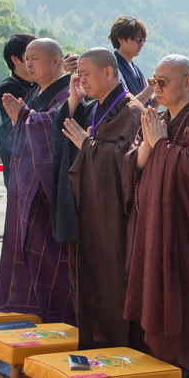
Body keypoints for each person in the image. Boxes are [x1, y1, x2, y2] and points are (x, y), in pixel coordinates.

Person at [124, 55, 189, 378]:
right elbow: (134, 164)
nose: (157, 88)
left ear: (188, 82)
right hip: (156, 229)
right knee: (156, 293)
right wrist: (152, 145)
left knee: (186, 301)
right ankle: (161, 370)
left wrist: (161, 143)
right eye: (154, 81)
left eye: (164, 81)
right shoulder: (157, 118)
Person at [55, 48, 144, 348]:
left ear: (108, 72)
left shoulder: (131, 110)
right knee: (91, 283)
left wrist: (88, 144)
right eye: (77, 73)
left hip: (113, 219)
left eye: (86, 73)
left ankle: (120, 352)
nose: (80, 79)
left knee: (112, 284)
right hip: (90, 212)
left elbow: (125, 160)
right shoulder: (96, 108)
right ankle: (95, 349)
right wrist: (75, 102)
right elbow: (67, 137)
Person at [0, 38, 74, 323]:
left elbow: (53, 129)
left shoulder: (67, 94)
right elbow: (18, 132)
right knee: (27, 253)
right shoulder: (33, 92)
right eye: (26, 58)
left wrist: (25, 118)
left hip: (48, 193)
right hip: (27, 186)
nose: (28, 63)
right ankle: (30, 316)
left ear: (56, 61)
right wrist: (22, 119)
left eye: (35, 58)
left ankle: (57, 321)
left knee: (50, 261)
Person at [0, 34, 37, 185]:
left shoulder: (35, 85)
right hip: (21, 166)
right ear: (15, 59)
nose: (32, 63)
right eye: (28, 58)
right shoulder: (9, 88)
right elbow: (34, 114)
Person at [109, 16, 151, 97]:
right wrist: (152, 87)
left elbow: (146, 103)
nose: (141, 44)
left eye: (143, 40)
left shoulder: (136, 69)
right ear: (120, 39)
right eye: (137, 40)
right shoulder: (114, 69)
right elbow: (127, 106)